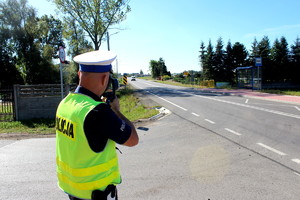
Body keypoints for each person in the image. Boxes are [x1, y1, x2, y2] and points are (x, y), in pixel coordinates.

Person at [55, 50, 139, 200]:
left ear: (79, 74)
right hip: (97, 194)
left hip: (73, 190)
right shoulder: (98, 111)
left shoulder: (65, 104)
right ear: (105, 78)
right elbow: (133, 139)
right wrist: (116, 110)